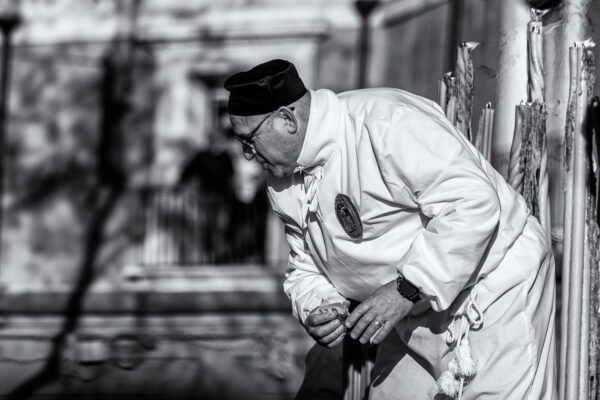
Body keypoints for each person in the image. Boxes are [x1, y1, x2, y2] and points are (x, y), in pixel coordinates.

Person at [224, 59, 556, 399]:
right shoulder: (282, 181)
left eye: (249, 140)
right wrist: (318, 306)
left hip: (492, 291)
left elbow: (473, 204)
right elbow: (305, 264)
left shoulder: (385, 122)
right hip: (409, 313)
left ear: (286, 119)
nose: (248, 155)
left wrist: (407, 288)